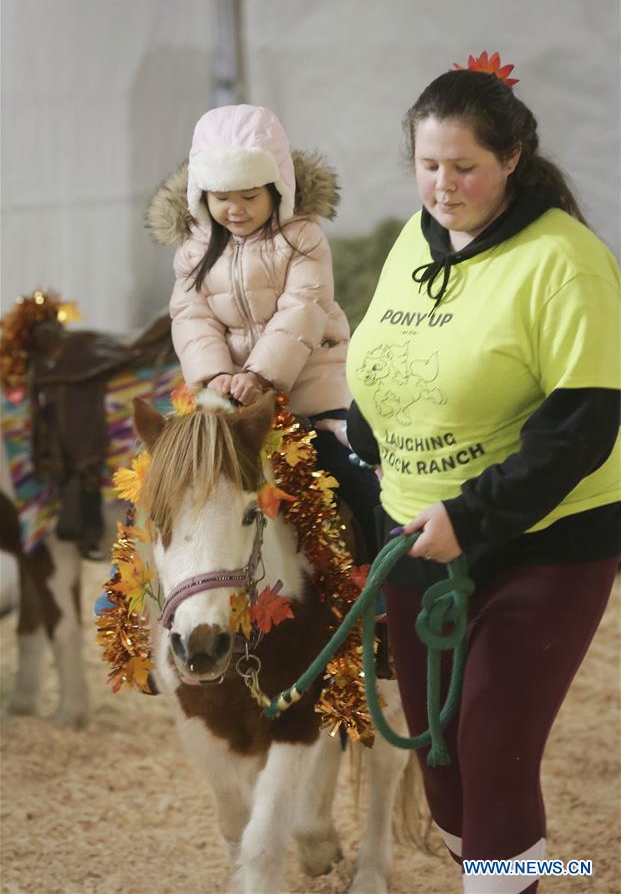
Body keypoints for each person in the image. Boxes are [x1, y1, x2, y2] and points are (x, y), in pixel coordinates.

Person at [344, 53, 620, 893]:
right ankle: (528, 872)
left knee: (492, 750)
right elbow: (384, 361)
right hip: (415, 534)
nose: (443, 185)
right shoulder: (411, 240)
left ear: (511, 159)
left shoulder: (563, 261)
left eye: (464, 166)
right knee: (442, 768)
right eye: (428, 165)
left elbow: (582, 428)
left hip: (544, 539)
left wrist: (468, 515)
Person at [146, 103, 379, 562]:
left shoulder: (303, 238)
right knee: (174, 484)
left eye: (250, 196)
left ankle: (382, 585)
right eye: (221, 197)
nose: (235, 210)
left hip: (311, 391)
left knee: (356, 481)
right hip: (225, 400)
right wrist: (215, 377)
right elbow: (191, 317)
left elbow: (303, 309)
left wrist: (261, 377)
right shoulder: (193, 250)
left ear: (278, 189)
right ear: (201, 195)